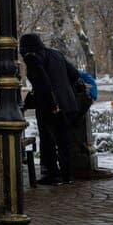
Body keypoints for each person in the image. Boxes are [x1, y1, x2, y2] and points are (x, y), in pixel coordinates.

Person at [20, 33, 80, 185]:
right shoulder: (56, 54)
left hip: (50, 105)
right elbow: (74, 75)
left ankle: (53, 175)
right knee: (64, 140)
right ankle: (68, 174)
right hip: (68, 103)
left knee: (48, 140)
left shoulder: (32, 58)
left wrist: (52, 103)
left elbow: (42, 82)